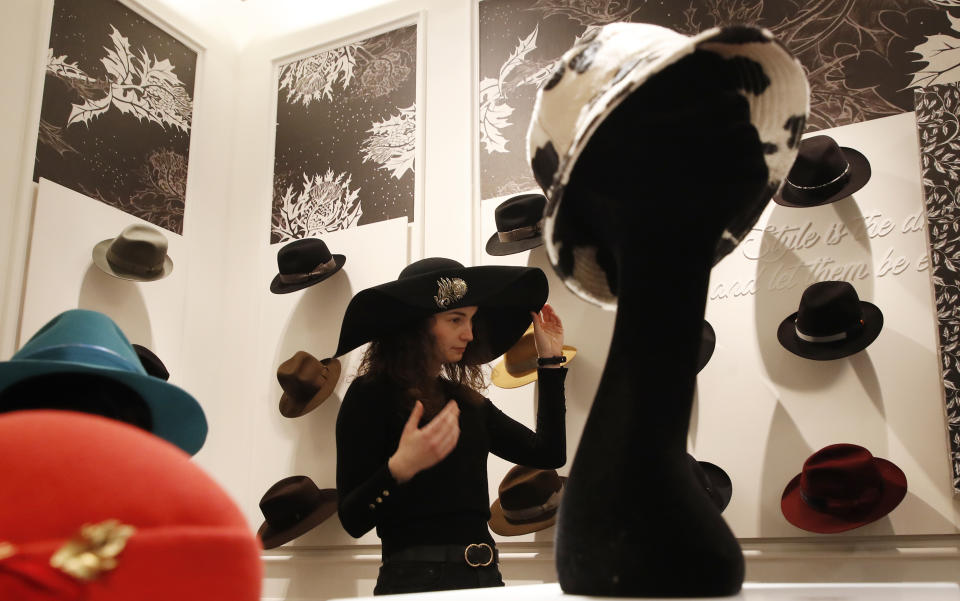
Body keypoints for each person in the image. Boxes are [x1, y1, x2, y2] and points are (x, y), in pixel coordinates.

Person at [334, 257, 568, 595]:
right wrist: (399, 468)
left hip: (485, 577)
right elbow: (352, 520)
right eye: (456, 319)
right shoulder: (370, 395)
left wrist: (549, 362)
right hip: (415, 583)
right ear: (417, 324)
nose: (469, 333)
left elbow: (548, 453)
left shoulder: (465, 401)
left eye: (471, 320)